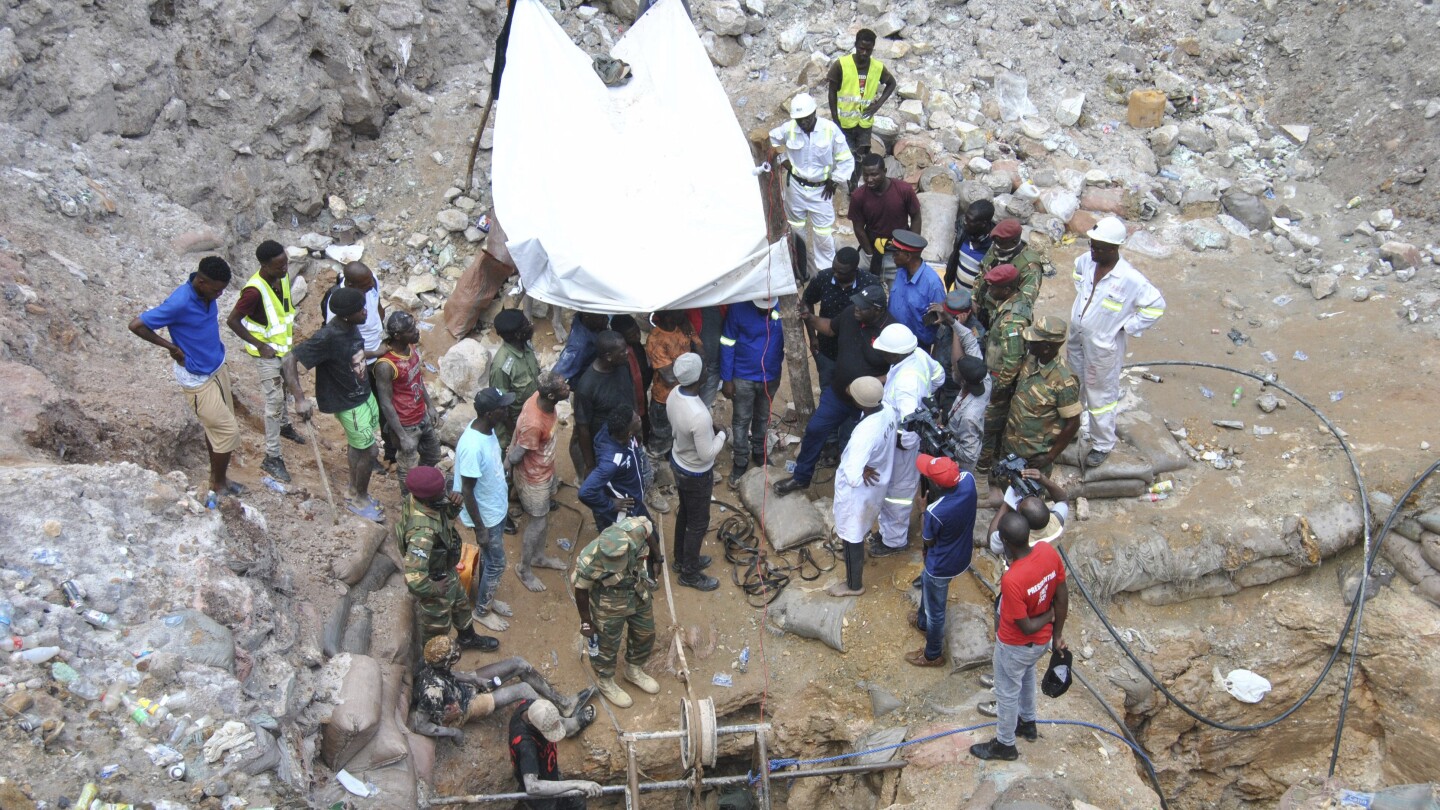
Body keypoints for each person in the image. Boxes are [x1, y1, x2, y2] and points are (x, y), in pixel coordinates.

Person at [130, 256, 242, 501]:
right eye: (216, 290)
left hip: (217, 367)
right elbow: (137, 325)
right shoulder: (179, 302)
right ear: (201, 282)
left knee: (217, 428)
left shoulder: (205, 294)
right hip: (196, 377)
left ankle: (218, 479)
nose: (220, 295)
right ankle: (219, 485)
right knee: (227, 431)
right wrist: (171, 347)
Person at [776, 284, 893, 495]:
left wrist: (867, 385)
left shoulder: (891, 331)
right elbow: (830, 327)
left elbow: (897, 371)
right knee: (814, 430)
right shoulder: (851, 313)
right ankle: (801, 477)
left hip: (867, 404)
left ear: (878, 310)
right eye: (857, 304)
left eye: (863, 307)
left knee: (854, 444)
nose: (856, 308)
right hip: (838, 394)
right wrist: (809, 317)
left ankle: (852, 488)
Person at [969, 513, 1068, 761]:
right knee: (1026, 677)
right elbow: (1061, 593)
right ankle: (1028, 722)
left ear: (1004, 541)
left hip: (1015, 645)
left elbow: (1025, 626)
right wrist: (1056, 634)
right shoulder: (1046, 551)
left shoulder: (1013, 579)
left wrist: (1048, 617)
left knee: (1006, 692)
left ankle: (1005, 744)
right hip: (1041, 643)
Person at [1068, 216, 1166, 467]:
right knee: (1072, 385)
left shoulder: (1130, 279)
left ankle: (1102, 444)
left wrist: (1127, 326)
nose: (1092, 250)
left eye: (1098, 247)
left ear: (1114, 248)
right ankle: (1071, 429)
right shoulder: (1087, 262)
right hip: (1077, 339)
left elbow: (1155, 307)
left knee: (1100, 397)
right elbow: (1077, 272)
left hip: (1103, 349)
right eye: (1092, 244)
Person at [283, 286, 383, 521]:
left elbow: (353, 354)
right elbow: (289, 359)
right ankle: (360, 498)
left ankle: (352, 488)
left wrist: (377, 352)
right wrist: (299, 398)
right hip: (349, 404)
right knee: (370, 450)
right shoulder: (327, 336)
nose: (366, 312)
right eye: (361, 310)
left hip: (363, 395)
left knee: (358, 446)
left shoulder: (351, 326)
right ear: (347, 314)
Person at [411, 635, 595, 742]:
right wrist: (453, 732)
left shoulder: (431, 662)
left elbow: (447, 674)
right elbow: (421, 725)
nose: (458, 651)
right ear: (445, 661)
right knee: (523, 689)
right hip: (465, 707)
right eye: (454, 653)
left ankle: (564, 704)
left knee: (519, 664)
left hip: (461, 687)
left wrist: (473, 680)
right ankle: (562, 725)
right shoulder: (431, 693)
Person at [225, 240, 304, 484]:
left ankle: (283, 425)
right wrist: (260, 345)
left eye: (286, 263)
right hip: (266, 352)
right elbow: (233, 320)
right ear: (264, 265)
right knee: (274, 400)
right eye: (279, 265)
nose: (285, 268)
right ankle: (272, 455)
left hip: (282, 347)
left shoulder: (280, 279)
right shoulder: (253, 291)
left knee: (284, 389)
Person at [396, 466, 498, 651]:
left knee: (461, 604)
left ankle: (467, 638)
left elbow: (442, 519)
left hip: (446, 570)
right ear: (428, 498)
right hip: (435, 580)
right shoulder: (422, 533)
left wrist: (454, 506)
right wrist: (434, 588)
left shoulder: (421, 499)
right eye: (440, 492)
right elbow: (413, 579)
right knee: (437, 627)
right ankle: (432, 666)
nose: (445, 493)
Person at [573, 516, 663, 708]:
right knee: (606, 644)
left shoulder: (635, 530)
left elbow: (649, 533)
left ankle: (633, 669)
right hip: (609, 600)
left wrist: (658, 558)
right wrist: (586, 621)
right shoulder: (590, 559)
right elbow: (580, 590)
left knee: (646, 632)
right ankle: (605, 681)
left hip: (637, 588)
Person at [870, 323, 945, 557]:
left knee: (897, 493)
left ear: (894, 353)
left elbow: (909, 423)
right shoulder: (919, 354)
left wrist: (902, 442)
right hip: (911, 436)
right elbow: (939, 376)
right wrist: (927, 396)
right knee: (897, 489)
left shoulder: (906, 384)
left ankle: (893, 540)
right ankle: (890, 532)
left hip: (904, 446)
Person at [769, 92, 855, 273]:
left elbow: (846, 159)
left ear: (814, 113)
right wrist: (783, 159)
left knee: (823, 233)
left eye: (806, 118)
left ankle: (826, 271)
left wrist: (835, 180)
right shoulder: (789, 128)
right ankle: (799, 268)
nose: (803, 123)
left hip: (822, 190)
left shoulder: (830, 130)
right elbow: (770, 140)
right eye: (799, 119)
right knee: (795, 229)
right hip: (796, 188)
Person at [906, 455, 978, 666]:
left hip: (940, 565)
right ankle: (921, 622)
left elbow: (927, 540)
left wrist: (921, 510)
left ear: (937, 484)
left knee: (936, 613)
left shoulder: (936, 511)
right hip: (962, 555)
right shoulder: (969, 481)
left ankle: (932, 654)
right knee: (926, 586)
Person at [827, 377, 895, 597]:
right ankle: (858, 555)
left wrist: (861, 469)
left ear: (861, 404)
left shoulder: (863, 434)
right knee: (864, 523)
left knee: (851, 534)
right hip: (877, 485)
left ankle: (853, 585)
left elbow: (854, 478)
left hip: (857, 494)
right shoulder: (887, 410)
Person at [456, 387, 517, 634]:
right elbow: (466, 490)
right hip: (486, 516)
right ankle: (482, 611)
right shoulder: (472, 446)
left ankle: (485, 597)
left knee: (491, 559)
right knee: (497, 563)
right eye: (503, 407)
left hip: (495, 507)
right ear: (491, 413)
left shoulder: (486, 428)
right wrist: (480, 528)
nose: (507, 410)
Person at [508, 372, 572, 593]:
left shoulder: (541, 396)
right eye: (563, 385)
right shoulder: (534, 423)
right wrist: (506, 472)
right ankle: (524, 568)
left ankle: (538, 557)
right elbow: (516, 456)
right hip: (533, 478)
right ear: (552, 394)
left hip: (544, 470)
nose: (567, 386)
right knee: (538, 522)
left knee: (543, 519)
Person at [666, 353, 724, 592]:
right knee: (698, 523)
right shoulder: (699, 415)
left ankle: (682, 559)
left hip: (679, 461)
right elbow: (707, 454)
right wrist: (722, 435)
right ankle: (689, 573)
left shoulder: (674, 394)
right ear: (699, 378)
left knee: (685, 514)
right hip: (696, 473)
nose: (707, 370)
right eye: (703, 369)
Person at [999, 316, 1082, 475]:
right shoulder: (1031, 359)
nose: (1028, 343)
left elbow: (1073, 423)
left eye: (1032, 341)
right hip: (1011, 442)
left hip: (1033, 455)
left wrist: (1050, 456)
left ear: (1046, 347)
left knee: (1029, 498)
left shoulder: (1064, 381)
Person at [720, 297, 785, 488]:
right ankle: (740, 461)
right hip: (742, 376)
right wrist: (727, 378)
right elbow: (727, 342)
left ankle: (759, 453)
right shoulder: (738, 308)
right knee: (741, 420)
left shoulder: (782, 306)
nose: (766, 311)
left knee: (763, 417)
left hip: (770, 376)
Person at [374, 311, 441, 490]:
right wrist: (402, 436)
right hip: (405, 426)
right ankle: (409, 502)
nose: (416, 332)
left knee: (433, 456)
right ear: (397, 335)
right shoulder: (386, 365)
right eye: (411, 330)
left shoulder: (410, 348)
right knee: (408, 470)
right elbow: (386, 404)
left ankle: (424, 487)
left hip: (421, 416)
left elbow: (417, 379)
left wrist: (431, 406)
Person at [977, 264, 1033, 475]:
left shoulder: (1012, 321)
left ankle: (983, 470)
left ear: (1007, 290)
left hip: (999, 379)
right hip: (994, 373)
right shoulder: (1012, 303)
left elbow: (1013, 361)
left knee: (989, 426)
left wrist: (999, 389)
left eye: (994, 288)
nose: (990, 291)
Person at [800, 247, 879, 392]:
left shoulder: (869, 284)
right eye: (833, 269)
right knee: (828, 389)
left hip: (857, 355)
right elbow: (807, 301)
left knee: (856, 394)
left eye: (840, 272)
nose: (835, 274)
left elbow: (878, 317)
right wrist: (812, 337)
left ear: (854, 270)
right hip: (827, 350)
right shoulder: (823, 278)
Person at [826, 29, 897, 188]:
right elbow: (832, 92)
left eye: (868, 49)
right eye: (861, 48)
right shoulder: (842, 64)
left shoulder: (877, 67)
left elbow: (891, 83)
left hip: (864, 123)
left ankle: (853, 187)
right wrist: (835, 118)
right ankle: (835, 183)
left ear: (873, 49)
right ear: (856, 45)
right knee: (843, 154)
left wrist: (877, 106)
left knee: (861, 156)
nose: (864, 53)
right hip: (844, 121)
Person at [509, 697, 605, 808]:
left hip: (550, 773)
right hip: (540, 795)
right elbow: (532, 786)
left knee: (578, 803)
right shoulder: (525, 744)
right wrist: (578, 784)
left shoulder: (532, 706)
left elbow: (524, 688)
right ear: (532, 724)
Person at [570, 331, 635, 482]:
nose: (627, 352)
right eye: (622, 351)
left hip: (628, 436)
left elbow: (630, 391)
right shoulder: (586, 387)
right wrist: (590, 465)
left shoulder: (623, 365)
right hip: (607, 446)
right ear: (608, 356)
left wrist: (635, 418)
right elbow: (583, 429)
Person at [848, 155, 922, 285]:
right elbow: (858, 228)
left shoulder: (903, 190)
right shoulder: (858, 196)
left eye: (874, 174)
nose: (869, 179)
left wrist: (911, 249)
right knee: (859, 287)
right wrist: (870, 255)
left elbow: (916, 217)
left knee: (900, 290)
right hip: (871, 249)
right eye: (865, 175)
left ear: (885, 171)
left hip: (898, 251)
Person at [578, 408, 651, 531]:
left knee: (650, 533)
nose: (639, 417)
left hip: (635, 499)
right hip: (626, 513)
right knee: (642, 541)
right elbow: (585, 492)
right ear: (628, 433)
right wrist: (610, 504)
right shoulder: (612, 462)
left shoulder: (614, 430)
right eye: (636, 419)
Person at [644, 310, 702, 457]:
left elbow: (701, 351)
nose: (684, 312)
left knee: (681, 434)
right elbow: (669, 378)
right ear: (668, 316)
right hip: (665, 398)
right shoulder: (655, 339)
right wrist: (695, 374)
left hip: (685, 393)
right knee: (660, 438)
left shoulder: (683, 325)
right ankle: (652, 467)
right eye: (679, 311)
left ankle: (673, 459)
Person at [885, 230, 947, 353]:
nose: (893, 257)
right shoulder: (901, 271)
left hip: (917, 347)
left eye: (896, 254)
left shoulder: (932, 284)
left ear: (908, 257)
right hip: (894, 339)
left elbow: (940, 319)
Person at [986, 467, 1069, 555]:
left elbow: (991, 541)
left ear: (1022, 521)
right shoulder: (1057, 521)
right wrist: (1043, 479)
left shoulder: (1016, 536)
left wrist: (1007, 503)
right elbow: (1063, 500)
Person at [925, 287, 984, 411]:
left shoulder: (974, 332)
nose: (946, 317)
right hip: (938, 384)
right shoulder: (945, 322)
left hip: (954, 391)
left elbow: (959, 365)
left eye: (950, 316)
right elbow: (936, 345)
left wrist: (957, 328)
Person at [490, 309, 541, 451]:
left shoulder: (526, 346)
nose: (531, 326)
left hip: (532, 418)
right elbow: (501, 405)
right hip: (514, 427)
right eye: (527, 325)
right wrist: (516, 435)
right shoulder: (502, 366)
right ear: (518, 334)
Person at [976, 219, 1046, 321]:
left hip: (1003, 320)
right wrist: (974, 299)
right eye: (994, 242)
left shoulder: (1030, 267)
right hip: (982, 310)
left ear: (1013, 241)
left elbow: (1024, 302)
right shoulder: (998, 248)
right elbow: (981, 272)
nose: (995, 246)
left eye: (999, 242)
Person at [946, 356, 992, 474]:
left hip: (960, 466)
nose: (953, 369)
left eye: (955, 371)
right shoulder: (984, 380)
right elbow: (972, 346)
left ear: (963, 382)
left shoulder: (968, 417)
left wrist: (946, 441)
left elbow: (969, 454)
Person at [945, 200, 996, 293]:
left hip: (975, 304)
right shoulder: (963, 230)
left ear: (983, 224)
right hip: (957, 297)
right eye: (966, 217)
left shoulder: (994, 247)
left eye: (970, 220)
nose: (965, 222)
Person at [552, 312, 610, 382]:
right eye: (602, 317)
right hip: (584, 377)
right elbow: (554, 377)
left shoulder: (582, 318)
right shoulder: (578, 348)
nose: (607, 319)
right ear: (587, 317)